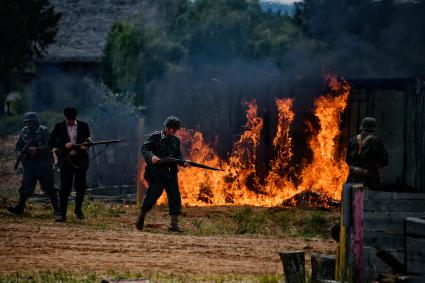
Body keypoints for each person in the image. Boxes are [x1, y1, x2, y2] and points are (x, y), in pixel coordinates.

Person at [136, 116, 189, 232]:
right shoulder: (155, 136)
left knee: (175, 197)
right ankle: (142, 215)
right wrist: (152, 157)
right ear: (167, 127)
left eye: (176, 129)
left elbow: (178, 157)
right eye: (172, 129)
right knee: (151, 196)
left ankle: (174, 225)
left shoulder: (176, 140)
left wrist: (183, 162)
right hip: (157, 174)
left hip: (171, 174)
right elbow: (144, 149)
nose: (174, 131)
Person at [7, 112, 61, 220]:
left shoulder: (44, 131)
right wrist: (19, 154)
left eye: (30, 122)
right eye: (27, 122)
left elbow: (50, 146)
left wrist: (37, 150)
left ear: (36, 122)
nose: (28, 125)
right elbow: (18, 146)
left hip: (44, 165)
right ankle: (20, 208)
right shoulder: (24, 131)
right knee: (25, 187)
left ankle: (58, 210)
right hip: (30, 165)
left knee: (49, 188)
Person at [48, 107, 91, 222]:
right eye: (69, 120)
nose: (71, 122)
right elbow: (51, 142)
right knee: (65, 188)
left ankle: (78, 210)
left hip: (80, 160)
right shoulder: (59, 126)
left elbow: (88, 140)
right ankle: (62, 215)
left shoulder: (84, 126)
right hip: (66, 160)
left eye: (73, 119)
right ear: (65, 117)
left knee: (81, 186)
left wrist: (85, 145)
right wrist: (64, 145)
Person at [345, 117, 389, 191]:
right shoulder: (376, 141)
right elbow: (385, 160)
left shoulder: (352, 140)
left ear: (362, 127)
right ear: (373, 128)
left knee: (355, 201)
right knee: (373, 200)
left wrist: (356, 168)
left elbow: (347, 160)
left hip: (353, 178)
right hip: (370, 179)